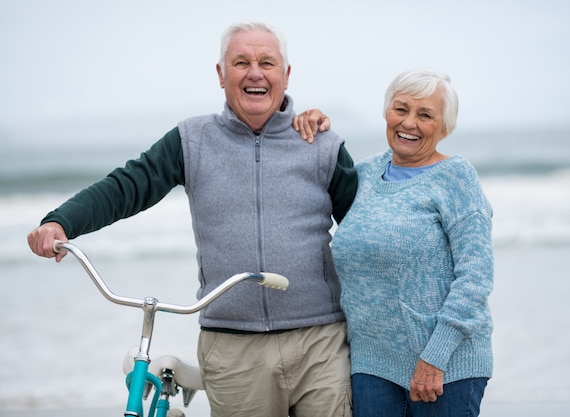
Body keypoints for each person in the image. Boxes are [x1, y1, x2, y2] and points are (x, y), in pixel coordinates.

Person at [27, 20, 356, 417]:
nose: (255, 72)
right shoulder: (192, 140)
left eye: (267, 63)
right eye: (241, 62)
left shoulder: (321, 143)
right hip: (233, 346)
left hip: (319, 341)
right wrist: (61, 222)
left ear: (285, 75)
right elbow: (127, 186)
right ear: (221, 75)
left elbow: (366, 229)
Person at [301, 68, 494, 417]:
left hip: (445, 366)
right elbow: (304, 188)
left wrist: (435, 356)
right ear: (387, 113)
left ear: (444, 128)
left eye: (425, 115)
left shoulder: (456, 178)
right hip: (371, 364)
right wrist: (306, 128)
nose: (409, 123)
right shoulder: (363, 175)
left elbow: (476, 277)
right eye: (401, 109)